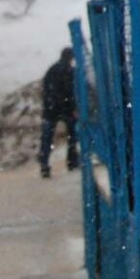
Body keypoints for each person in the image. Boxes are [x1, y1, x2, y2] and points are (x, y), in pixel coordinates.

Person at [38, 46, 78, 180]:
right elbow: (73, 92)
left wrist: (51, 104)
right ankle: (72, 162)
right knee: (72, 136)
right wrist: (71, 107)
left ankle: (44, 165)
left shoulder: (52, 70)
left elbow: (47, 90)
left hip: (51, 109)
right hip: (65, 110)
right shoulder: (70, 71)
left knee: (47, 138)